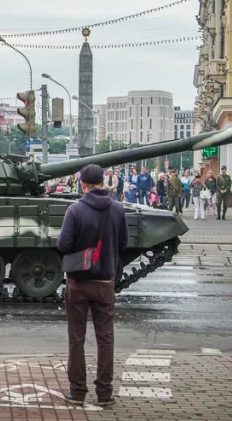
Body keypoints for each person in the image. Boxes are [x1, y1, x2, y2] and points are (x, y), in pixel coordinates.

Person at [58, 164, 128, 407]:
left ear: (83, 185)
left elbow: (63, 244)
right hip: (104, 282)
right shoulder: (118, 209)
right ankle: (105, 393)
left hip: (78, 282)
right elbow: (124, 242)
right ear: (102, 183)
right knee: (105, 338)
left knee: (76, 338)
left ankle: (77, 392)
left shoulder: (74, 210)